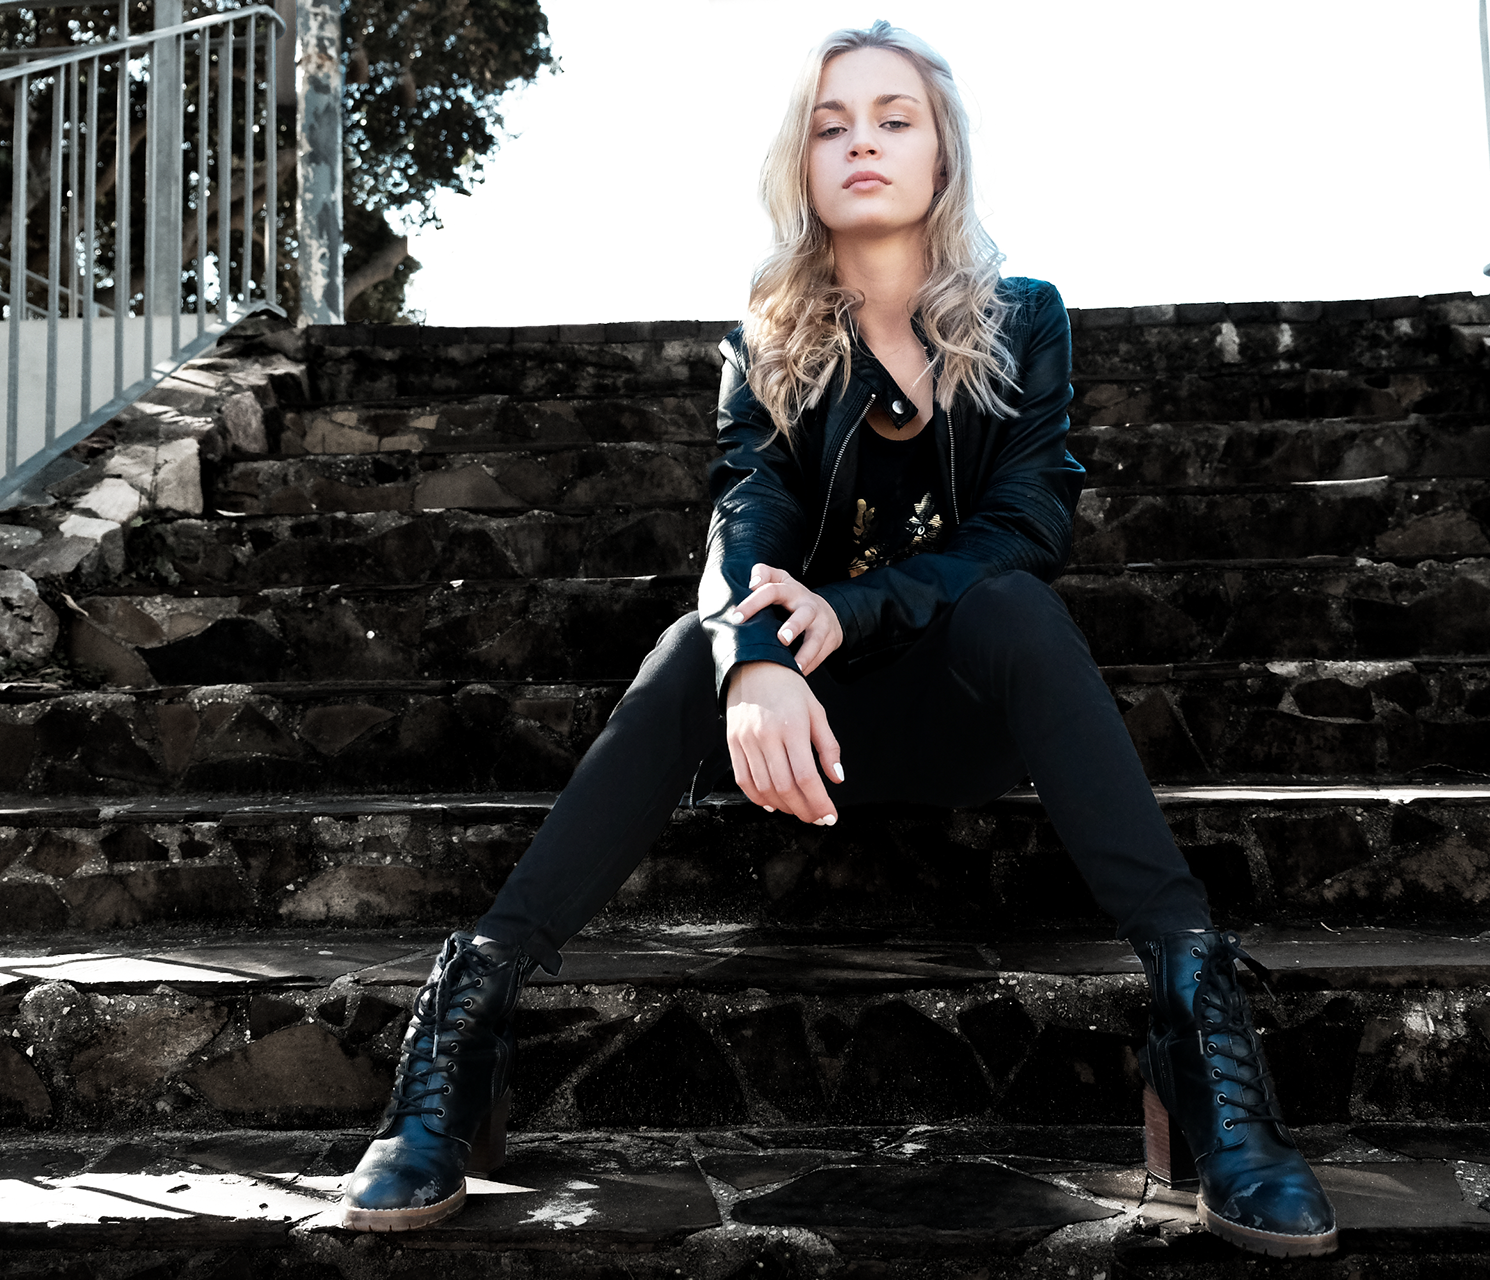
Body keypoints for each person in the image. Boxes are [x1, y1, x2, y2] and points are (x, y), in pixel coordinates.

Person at [336, 20, 1337, 1259]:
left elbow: (1026, 526)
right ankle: (471, 1013)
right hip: (799, 733)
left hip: (963, 708)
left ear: (940, 152)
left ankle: (1196, 1012)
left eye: (893, 117)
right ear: (802, 164)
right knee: (686, 649)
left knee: (1018, 605)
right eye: (832, 123)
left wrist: (853, 605)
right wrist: (754, 659)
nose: (863, 140)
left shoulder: (1024, 319)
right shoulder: (767, 343)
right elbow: (744, 514)